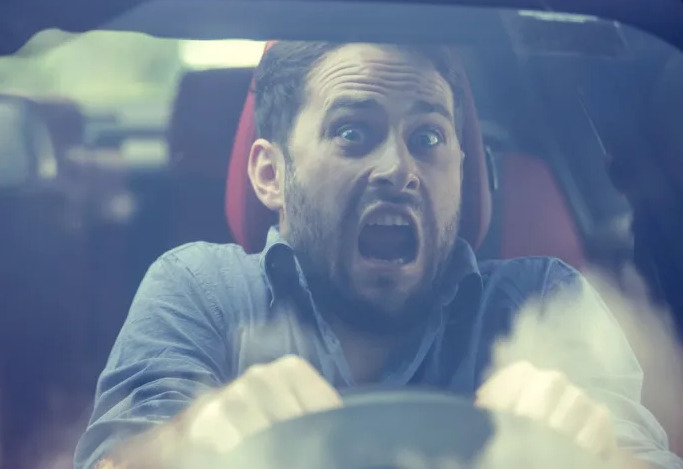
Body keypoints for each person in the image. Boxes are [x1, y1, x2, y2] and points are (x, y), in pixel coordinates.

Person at [74, 42, 682, 469]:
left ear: (461, 175)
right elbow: (116, 459)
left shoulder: (545, 300)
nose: (398, 170)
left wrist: (595, 455)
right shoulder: (199, 288)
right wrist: (189, 444)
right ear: (269, 174)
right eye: (352, 132)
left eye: (427, 139)